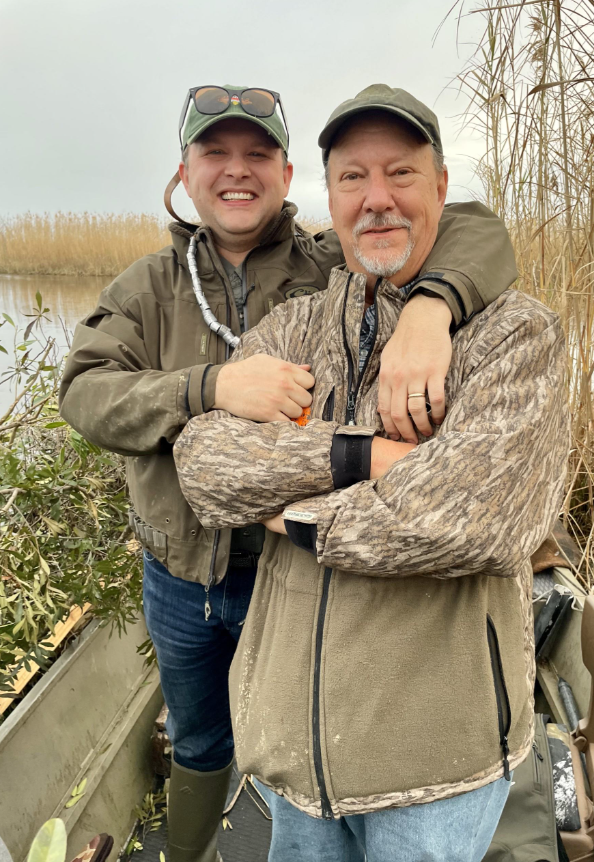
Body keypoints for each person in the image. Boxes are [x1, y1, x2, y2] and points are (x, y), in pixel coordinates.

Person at [59, 84, 518, 862]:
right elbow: (83, 393)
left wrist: (429, 307)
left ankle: (284, 824)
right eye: (216, 154)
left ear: (286, 174)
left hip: (294, 569)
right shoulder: (145, 287)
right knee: (202, 737)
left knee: (297, 732)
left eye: (257, 156)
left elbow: (471, 226)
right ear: (185, 171)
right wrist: (204, 388)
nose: (236, 172)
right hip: (182, 578)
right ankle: (194, 849)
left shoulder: (324, 264)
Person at [174, 84, 570, 862]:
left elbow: (470, 522)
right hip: (295, 752)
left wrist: (289, 516)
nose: (376, 199)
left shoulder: (516, 336)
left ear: (443, 190)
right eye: (353, 177)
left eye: (401, 175)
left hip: (433, 767)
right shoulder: (291, 327)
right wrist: (353, 455)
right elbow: (204, 468)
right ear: (330, 194)